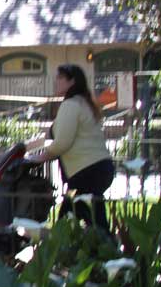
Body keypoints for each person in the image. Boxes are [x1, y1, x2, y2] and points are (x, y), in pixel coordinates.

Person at [27, 64, 115, 231]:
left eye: (60, 78)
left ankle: (100, 249)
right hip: (99, 169)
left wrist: (37, 158)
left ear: (72, 81)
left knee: (69, 217)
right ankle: (104, 250)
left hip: (86, 173)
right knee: (91, 216)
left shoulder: (71, 105)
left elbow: (62, 143)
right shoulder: (84, 103)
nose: (56, 81)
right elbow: (58, 136)